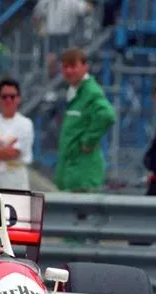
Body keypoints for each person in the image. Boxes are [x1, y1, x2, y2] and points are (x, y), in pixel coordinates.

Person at [55, 47, 115, 194]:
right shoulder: (75, 91)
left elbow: (107, 114)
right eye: (65, 67)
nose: (68, 71)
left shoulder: (90, 92)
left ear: (85, 67)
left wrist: (88, 141)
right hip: (71, 174)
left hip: (83, 175)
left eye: (73, 66)